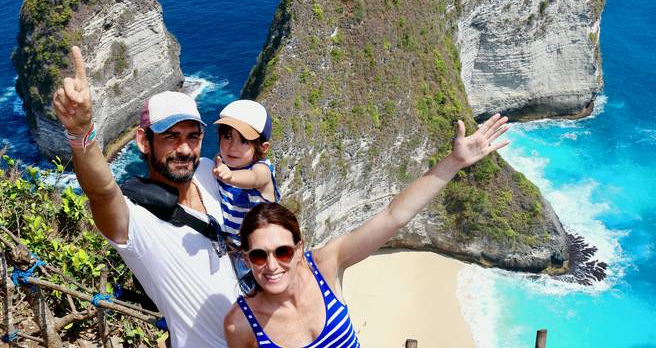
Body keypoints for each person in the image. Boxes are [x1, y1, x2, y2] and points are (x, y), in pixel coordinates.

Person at [223, 113, 510, 348]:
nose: (272, 265)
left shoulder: (325, 265)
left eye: (283, 252)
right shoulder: (240, 323)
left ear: (299, 249)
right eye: (259, 256)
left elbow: (394, 215)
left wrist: (454, 162)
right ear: (246, 259)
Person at [53, 46, 239, 347]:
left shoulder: (209, 172)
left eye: (193, 136)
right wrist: (80, 133)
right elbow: (101, 193)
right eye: (170, 136)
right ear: (143, 141)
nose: (184, 149)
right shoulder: (136, 221)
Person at [212, 99, 280, 245]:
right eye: (227, 136)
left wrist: (230, 176)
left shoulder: (263, 169)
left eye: (243, 141)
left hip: (263, 247)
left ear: (263, 147)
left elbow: (254, 178)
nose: (232, 147)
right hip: (233, 247)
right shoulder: (221, 163)